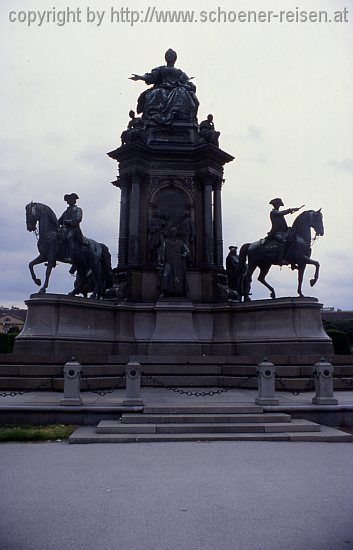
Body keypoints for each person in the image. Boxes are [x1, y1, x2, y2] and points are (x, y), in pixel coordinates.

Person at [129, 49, 199, 125]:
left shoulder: (180, 72)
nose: (169, 56)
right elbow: (151, 77)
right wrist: (141, 77)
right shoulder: (161, 69)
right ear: (165, 58)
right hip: (162, 88)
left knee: (181, 92)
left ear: (175, 58)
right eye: (168, 54)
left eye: (171, 55)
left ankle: (176, 114)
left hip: (176, 89)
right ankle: (154, 114)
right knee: (157, 92)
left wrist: (182, 84)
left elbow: (188, 84)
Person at [267, 198, 300, 264]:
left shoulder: (278, 213)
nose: (278, 206)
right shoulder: (274, 212)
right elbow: (282, 213)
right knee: (283, 241)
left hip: (283, 232)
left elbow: (282, 224)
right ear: (274, 205)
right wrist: (291, 209)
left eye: (279, 205)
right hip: (277, 233)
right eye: (278, 204)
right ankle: (280, 259)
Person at [158, 227, 189, 297]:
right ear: (170, 233)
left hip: (178, 263)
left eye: (175, 232)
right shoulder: (165, 242)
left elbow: (187, 251)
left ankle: (179, 292)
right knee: (166, 275)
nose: (174, 233)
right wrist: (160, 261)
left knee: (178, 277)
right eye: (172, 232)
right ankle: (165, 291)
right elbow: (160, 252)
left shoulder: (181, 242)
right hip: (168, 262)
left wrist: (182, 255)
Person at [58, 193, 84, 265]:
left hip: (74, 229)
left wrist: (68, 222)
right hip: (65, 229)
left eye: (71, 199)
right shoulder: (66, 212)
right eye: (68, 200)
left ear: (74, 201)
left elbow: (78, 219)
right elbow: (59, 221)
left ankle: (71, 257)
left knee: (69, 237)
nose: (69, 201)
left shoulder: (78, 209)